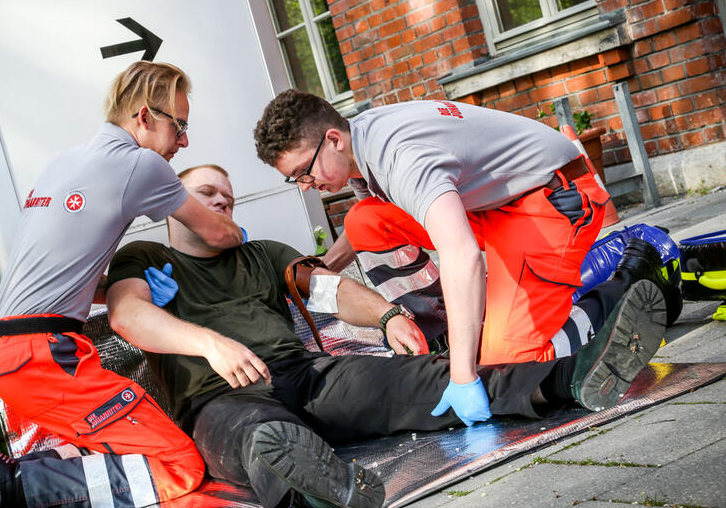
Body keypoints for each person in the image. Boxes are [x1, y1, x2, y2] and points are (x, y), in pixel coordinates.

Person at [105, 165, 668, 508]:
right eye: (206, 194)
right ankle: (323, 490)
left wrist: (386, 316)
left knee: (440, 381)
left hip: (305, 375)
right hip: (220, 399)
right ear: (173, 205)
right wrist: (208, 343)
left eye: (227, 197)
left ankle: (575, 376)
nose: (221, 203)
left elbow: (329, 290)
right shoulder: (145, 257)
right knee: (261, 438)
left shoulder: (263, 254)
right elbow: (127, 315)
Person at [0, 62, 244, 508]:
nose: (184, 141)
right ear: (144, 117)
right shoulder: (141, 164)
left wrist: (119, 287)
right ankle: (3, 484)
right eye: (180, 125)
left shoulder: (64, 162)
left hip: (5, 350)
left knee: (114, 453)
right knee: (178, 465)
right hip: (41, 355)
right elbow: (219, 234)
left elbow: (64, 273)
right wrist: (243, 237)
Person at [253, 90, 624, 427]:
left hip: (552, 199)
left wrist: (463, 376)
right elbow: (376, 224)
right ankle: (447, 334)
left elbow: (461, 254)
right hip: (493, 203)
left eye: (303, 173)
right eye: (293, 179)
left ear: (333, 139)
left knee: (510, 367)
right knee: (364, 221)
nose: (305, 186)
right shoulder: (357, 143)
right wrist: (324, 267)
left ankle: (621, 290)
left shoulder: (401, 158)